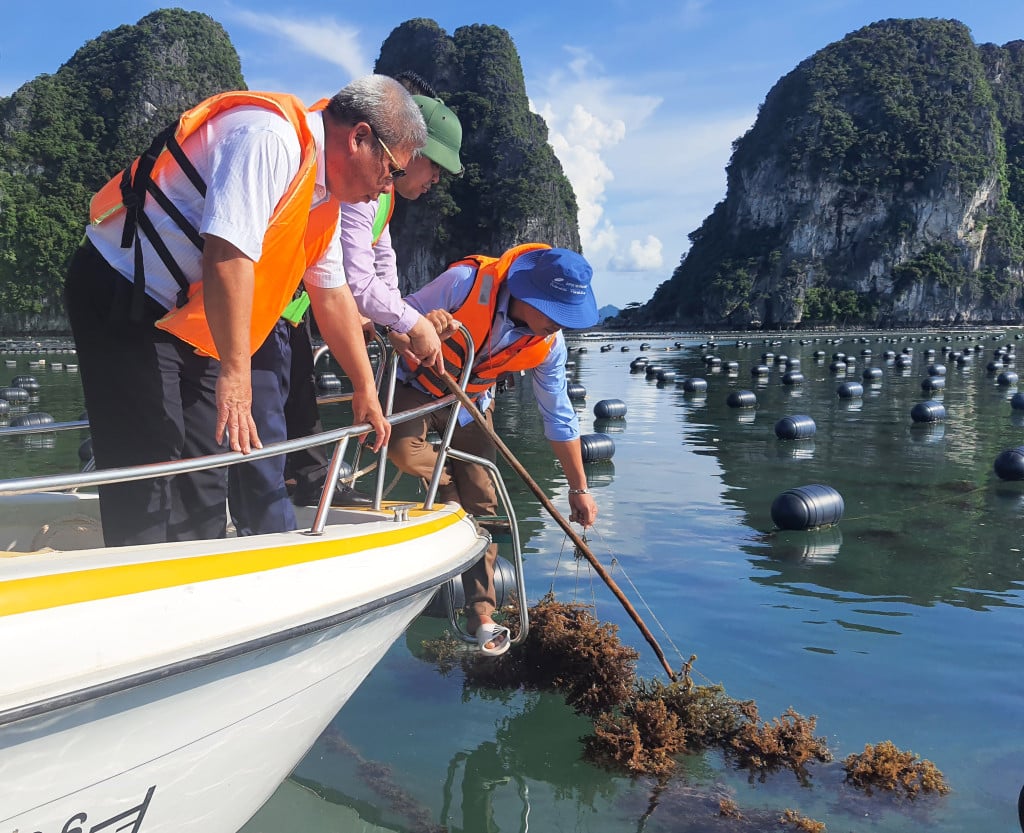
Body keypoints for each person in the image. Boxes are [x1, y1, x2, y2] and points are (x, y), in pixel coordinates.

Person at [65, 75, 426, 546]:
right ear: (359, 138)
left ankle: (200, 585)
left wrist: (365, 390)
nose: (386, 188)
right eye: (391, 171)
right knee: (150, 459)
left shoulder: (322, 199)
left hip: (191, 319)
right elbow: (227, 254)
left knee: (208, 464)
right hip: (124, 291)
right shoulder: (268, 138)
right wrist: (236, 372)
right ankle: (139, 591)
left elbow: (332, 294)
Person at [386, 244, 600, 655]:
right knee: (405, 452)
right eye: (553, 312)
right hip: (414, 387)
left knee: (485, 502)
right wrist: (421, 326)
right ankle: (449, 490)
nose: (557, 325)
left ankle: (481, 614)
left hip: (471, 403)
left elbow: (558, 412)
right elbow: (394, 318)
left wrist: (579, 488)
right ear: (526, 293)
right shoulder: (465, 283)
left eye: (565, 317)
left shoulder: (548, 344)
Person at [287, 73, 465, 507]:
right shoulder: (354, 189)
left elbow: (383, 271)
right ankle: (289, 501)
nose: (435, 180)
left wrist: (400, 327)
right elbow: (355, 278)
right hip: (283, 306)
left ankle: (304, 490)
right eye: (434, 167)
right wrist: (412, 324)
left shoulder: (382, 197)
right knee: (282, 399)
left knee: (296, 394)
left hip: (291, 312)